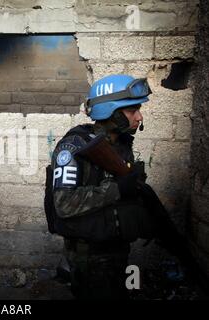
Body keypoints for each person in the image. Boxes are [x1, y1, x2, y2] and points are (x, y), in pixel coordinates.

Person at [48, 74, 153, 299]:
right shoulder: (73, 146)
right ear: (111, 111)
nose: (139, 117)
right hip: (90, 257)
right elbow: (64, 204)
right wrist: (117, 189)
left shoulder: (121, 145)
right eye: (132, 110)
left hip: (119, 250)